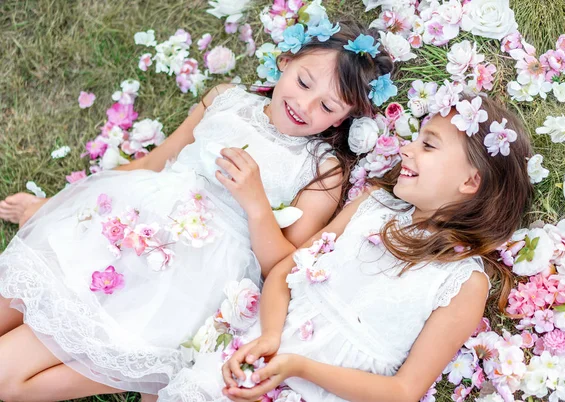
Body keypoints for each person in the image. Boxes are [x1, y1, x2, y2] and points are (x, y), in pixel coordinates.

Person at [0, 21, 395, 400]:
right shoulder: (226, 100)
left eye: (327, 106)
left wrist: (256, 204)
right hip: (122, 226)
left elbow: (283, 269)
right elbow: (154, 162)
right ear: (286, 61)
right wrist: (52, 206)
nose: (304, 105)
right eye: (304, 82)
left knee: (7, 380)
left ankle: (131, 362)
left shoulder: (322, 169)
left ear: (345, 119)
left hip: (180, 281)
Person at [157, 95, 534, 402]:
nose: (406, 149)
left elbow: (403, 392)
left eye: (428, 145)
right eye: (415, 138)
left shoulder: (463, 282)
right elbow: (284, 274)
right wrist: (270, 337)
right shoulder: (373, 206)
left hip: (322, 388)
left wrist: (298, 367)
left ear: (470, 181)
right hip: (259, 349)